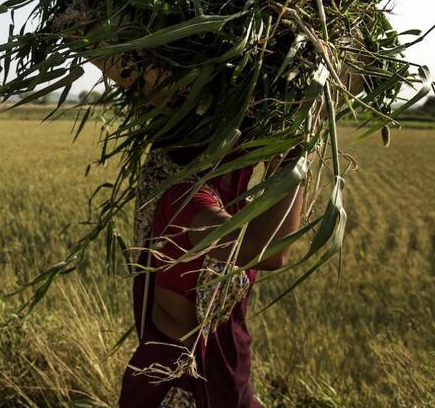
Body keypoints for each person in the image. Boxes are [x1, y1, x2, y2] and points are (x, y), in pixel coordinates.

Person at [118, 144, 305, 407]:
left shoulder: (229, 200)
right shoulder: (186, 198)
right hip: (181, 386)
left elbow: (272, 229)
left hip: (227, 377)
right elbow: (270, 252)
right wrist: (295, 163)